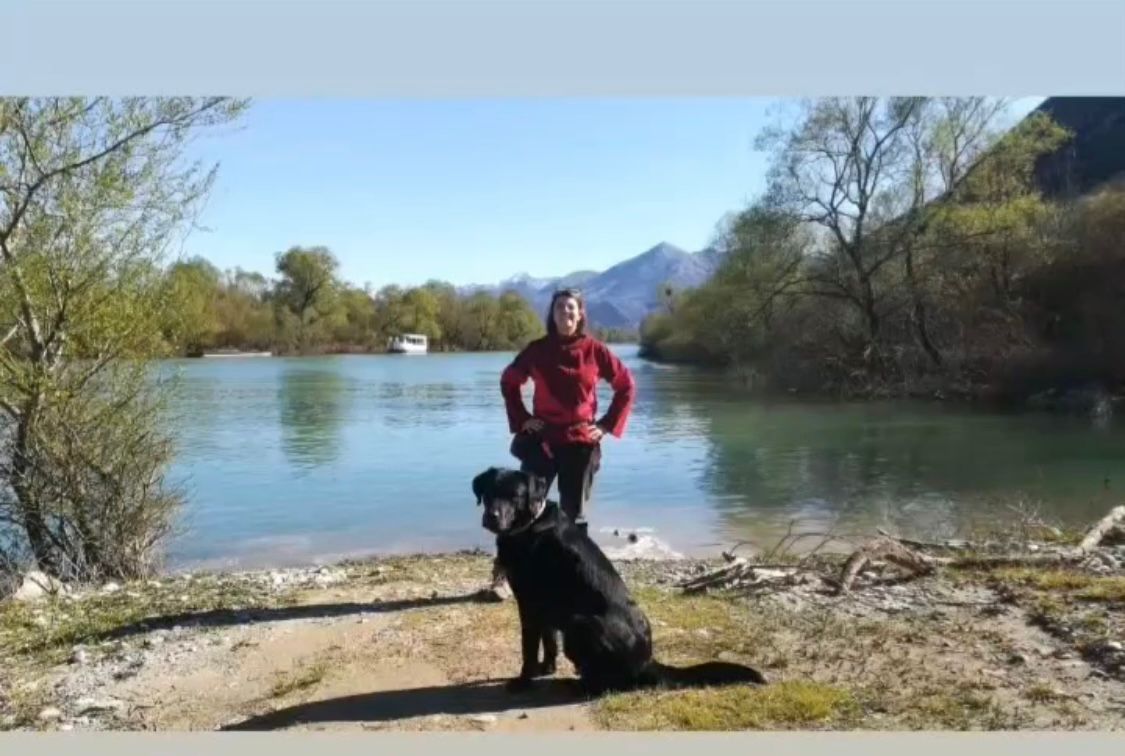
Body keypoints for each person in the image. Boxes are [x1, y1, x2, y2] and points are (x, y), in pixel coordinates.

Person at [481, 287, 636, 601]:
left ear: (580, 314)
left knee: (573, 514)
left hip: (580, 443)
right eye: (559, 308)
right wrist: (523, 418)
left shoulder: (595, 351)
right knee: (521, 508)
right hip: (541, 441)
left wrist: (605, 425)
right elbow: (509, 382)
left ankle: (575, 577)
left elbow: (626, 386)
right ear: (551, 315)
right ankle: (505, 576)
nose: (565, 313)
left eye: (571, 308)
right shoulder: (537, 350)